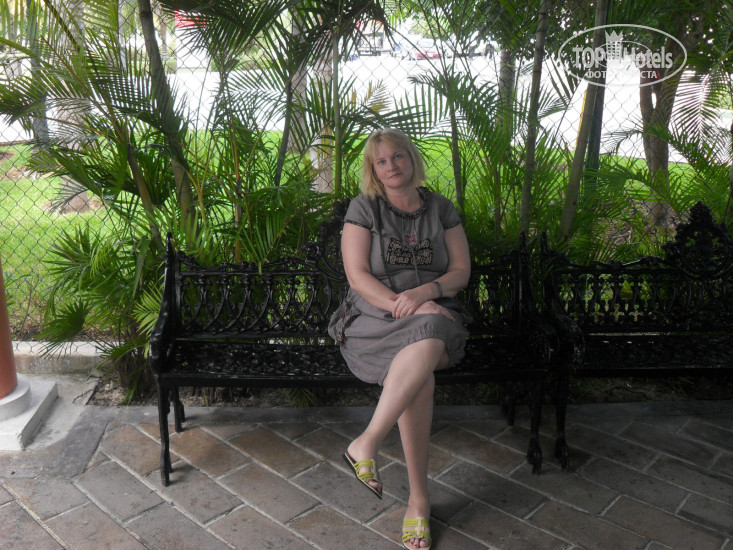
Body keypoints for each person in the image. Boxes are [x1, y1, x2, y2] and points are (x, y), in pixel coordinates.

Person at [328, 128, 471, 550]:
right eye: (381, 161)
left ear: (412, 158)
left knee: (431, 330)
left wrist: (424, 295)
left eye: (398, 157)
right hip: (374, 316)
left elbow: (460, 272)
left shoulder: (441, 208)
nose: (391, 166)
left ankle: (367, 442)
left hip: (435, 310)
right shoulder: (364, 208)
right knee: (420, 378)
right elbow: (358, 277)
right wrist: (404, 306)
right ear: (373, 170)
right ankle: (418, 501)